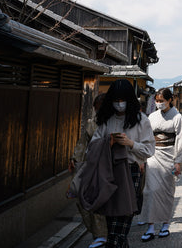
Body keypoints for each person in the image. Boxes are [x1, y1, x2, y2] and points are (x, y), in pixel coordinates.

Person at [90, 79, 155, 248]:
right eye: (116, 100)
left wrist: (131, 144)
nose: (119, 104)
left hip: (130, 172)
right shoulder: (106, 119)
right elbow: (92, 147)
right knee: (112, 223)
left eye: (122, 100)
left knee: (123, 219)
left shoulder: (141, 120)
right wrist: (108, 142)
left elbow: (149, 150)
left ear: (129, 99)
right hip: (108, 172)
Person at [139, 88, 182, 241]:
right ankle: (150, 226)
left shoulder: (177, 117)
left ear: (169, 100)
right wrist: (142, 158)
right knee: (150, 190)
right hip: (153, 155)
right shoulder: (152, 116)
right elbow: (145, 137)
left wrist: (179, 162)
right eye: (157, 101)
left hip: (170, 154)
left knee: (166, 191)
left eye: (162, 101)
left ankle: (166, 224)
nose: (159, 103)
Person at [70, 94, 108, 248]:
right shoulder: (91, 123)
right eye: (96, 108)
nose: (98, 111)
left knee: (99, 200)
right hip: (88, 165)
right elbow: (82, 142)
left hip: (105, 166)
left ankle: (103, 234)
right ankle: (96, 232)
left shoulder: (115, 123)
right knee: (83, 198)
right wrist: (75, 158)